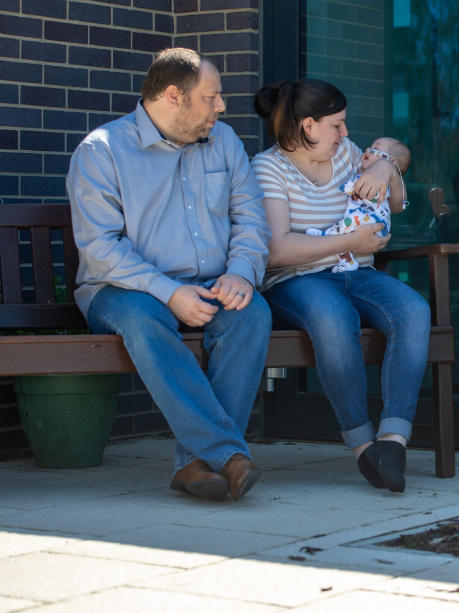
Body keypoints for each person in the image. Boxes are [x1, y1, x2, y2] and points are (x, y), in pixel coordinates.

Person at [66, 48, 272, 503]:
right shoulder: (101, 151)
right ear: (174, 96)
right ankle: (227, 454)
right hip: (123, 289)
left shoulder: (225, 142)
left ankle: (196, 466)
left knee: (251, 313)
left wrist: (240, 274)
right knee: (145, 319)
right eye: (211, 97)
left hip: (211, 283)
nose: (221, 106)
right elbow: (101, 248)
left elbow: (251, 221)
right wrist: (169, 291)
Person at [251, 79, 429, 493]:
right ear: (309, 125)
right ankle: (363, 447)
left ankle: (393, 441)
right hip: (298, 280)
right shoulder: (268, 168)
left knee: (414, 311)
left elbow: (397, 201)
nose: (346, 133)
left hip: (358, 273)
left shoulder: (348, 154)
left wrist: (386, 166)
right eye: (338, 124)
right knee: (335, 319)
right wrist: (349, 242)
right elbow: (276, 251)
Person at [305, 137, 411, 272]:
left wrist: (389, 170)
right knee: (347, 233)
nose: (367, 150)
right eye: (369, 147)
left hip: (370, 223)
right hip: (363, 222)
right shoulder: (360, 169)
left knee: (347, 224)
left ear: (392, 160)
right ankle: (347, 260)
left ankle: (326, 236)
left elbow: (403, 204)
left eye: (375, 149)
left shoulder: (385, 184)